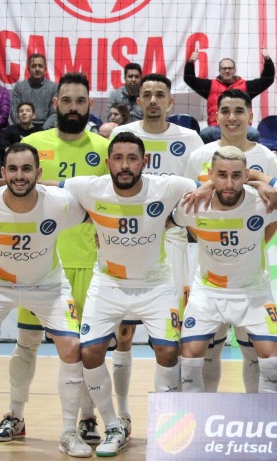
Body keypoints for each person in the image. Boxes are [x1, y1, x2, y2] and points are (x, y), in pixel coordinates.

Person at [0, 72, 109, 446]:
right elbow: (14, 179)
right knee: (27, 342)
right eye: (67, 101)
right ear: (55, 104)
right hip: (36, 264)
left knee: (80, 349)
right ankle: (15, 415)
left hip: (87, 261)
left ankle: (86, 419)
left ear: (89, 105)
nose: (74, 107)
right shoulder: (33, 142)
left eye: (81, 101)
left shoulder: (103, 146)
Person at [0, 143, 90, 458]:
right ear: (3, 173)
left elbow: (92, 214)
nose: (19, 176)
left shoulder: (59, 202)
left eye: (27, 169)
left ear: (39, 173)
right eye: (12, 169)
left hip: (48, 286)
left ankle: (68, 432)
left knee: (71, 348)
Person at [61, 132, 197, 456]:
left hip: (155, 284)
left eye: (132, 158)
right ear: (107, 163)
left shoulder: (169, 187)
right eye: (118, 158)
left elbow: (202, 192)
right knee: (90, 353)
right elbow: (45, 193)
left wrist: (172, 219)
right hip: (108, 282)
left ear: (144, 162)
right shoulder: (87, 188)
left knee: (168, 352)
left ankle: (166, 427)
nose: (125, 165)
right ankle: (113, 425)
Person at [108, 72, 204, 417]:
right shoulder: (122, 135)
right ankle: (122, 415)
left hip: (175, 242)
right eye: (146, 94)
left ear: (170, 101)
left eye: (159, 94)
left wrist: (178, 218)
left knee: (171, 338)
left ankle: (173, 414)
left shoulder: (190, 139)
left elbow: (199, 187)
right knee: (123, 334)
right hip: (128, 240)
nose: (152, 100)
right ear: (138, 101)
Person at [183, 88, 277, 393]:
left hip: (250, 271)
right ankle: (203, 413)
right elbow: (188, 204)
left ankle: (256, 417)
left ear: (250, 116)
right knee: (208, 349)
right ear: (217, 116)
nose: (232, 117)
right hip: (208, 266)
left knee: (252, 350)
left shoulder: (267, 157)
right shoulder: (199, 155)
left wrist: (254, 238)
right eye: (225, 111)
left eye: (239, 111)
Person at [184, 50, 275, 143]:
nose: (227, 71)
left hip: (241, 127)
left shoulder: (247, 86)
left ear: (234, 70)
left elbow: (267, 80)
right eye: (224, 68)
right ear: (219, 71)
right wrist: (190, 63)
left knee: (253, 134)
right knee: (205, 134)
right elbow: (189, 79)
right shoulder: (210, 86)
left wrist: (267, 60)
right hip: (217, 127)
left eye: (230, 68)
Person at [10, 53, 57, 130]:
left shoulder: (54, 87)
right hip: (23, 128)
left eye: (40, 66)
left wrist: (42, 131)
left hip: (46, 129)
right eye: (33, 66)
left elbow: (55, 113)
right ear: (28, 69)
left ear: (45, 68)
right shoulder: (19, 87)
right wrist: (25, 129)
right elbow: (14, 112)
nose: (37, 69)